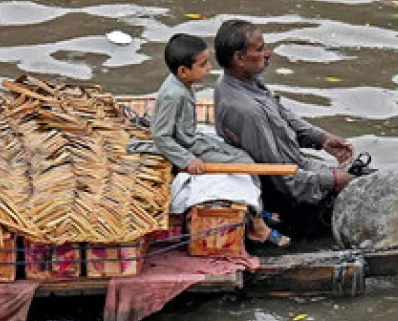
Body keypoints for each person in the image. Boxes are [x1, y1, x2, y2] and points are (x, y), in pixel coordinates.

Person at [212, 19, 357, 231]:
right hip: (291, 204)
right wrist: (334, 180)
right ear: (240, 58)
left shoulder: (244, 81)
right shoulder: (247, 112)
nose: (268, 53)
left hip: (302, 173)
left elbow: (284, 116)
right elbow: (285, 182)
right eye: (260, 49)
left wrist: (321, 139)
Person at [151, 33, 288, 248]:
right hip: (187, 146)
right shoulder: (173, 96)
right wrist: (187, 160)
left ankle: (257, 210)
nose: (209, 68)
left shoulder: (182, 83)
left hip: (193, 139)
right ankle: (258, 228)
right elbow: (161, 135)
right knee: (245, 166)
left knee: (245, 157)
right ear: (183, 71)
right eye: (203, 64)